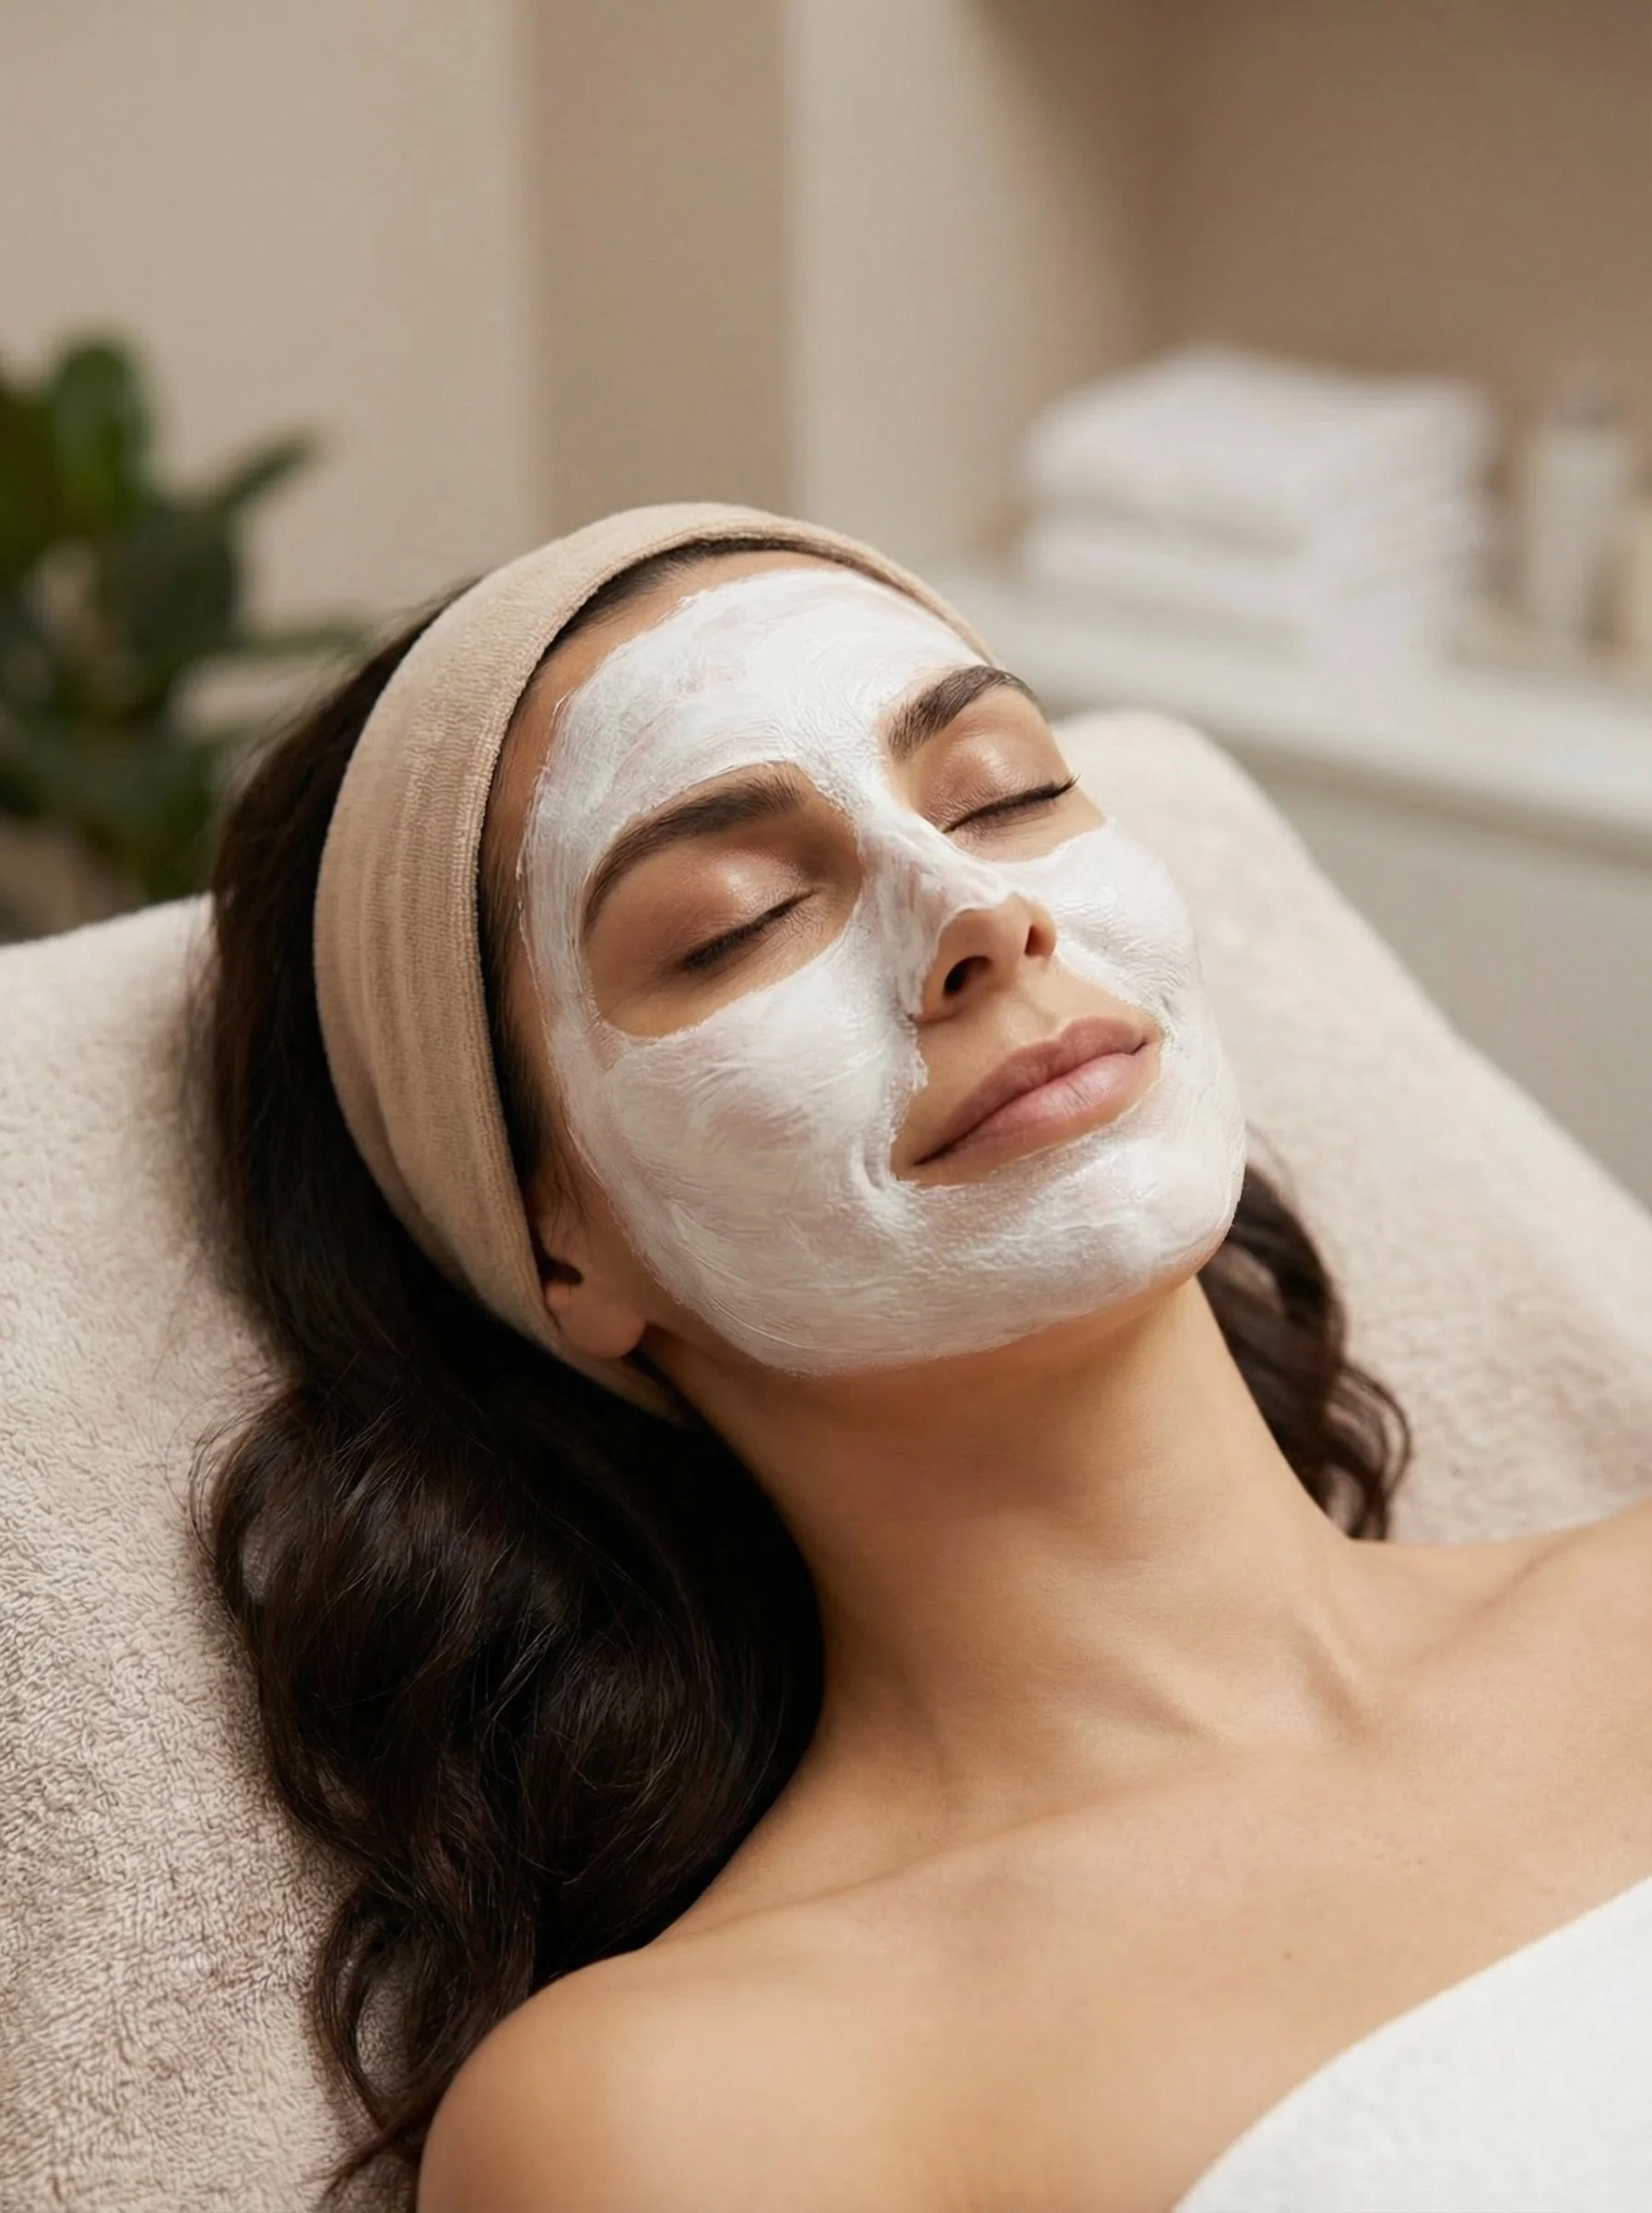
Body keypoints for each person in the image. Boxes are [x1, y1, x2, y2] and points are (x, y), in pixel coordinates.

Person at [194, 505, 1652, 2213]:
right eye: (736, 923)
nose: (979, 911)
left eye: (1005, 794)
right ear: (559, 1241)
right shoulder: (685, 2111)